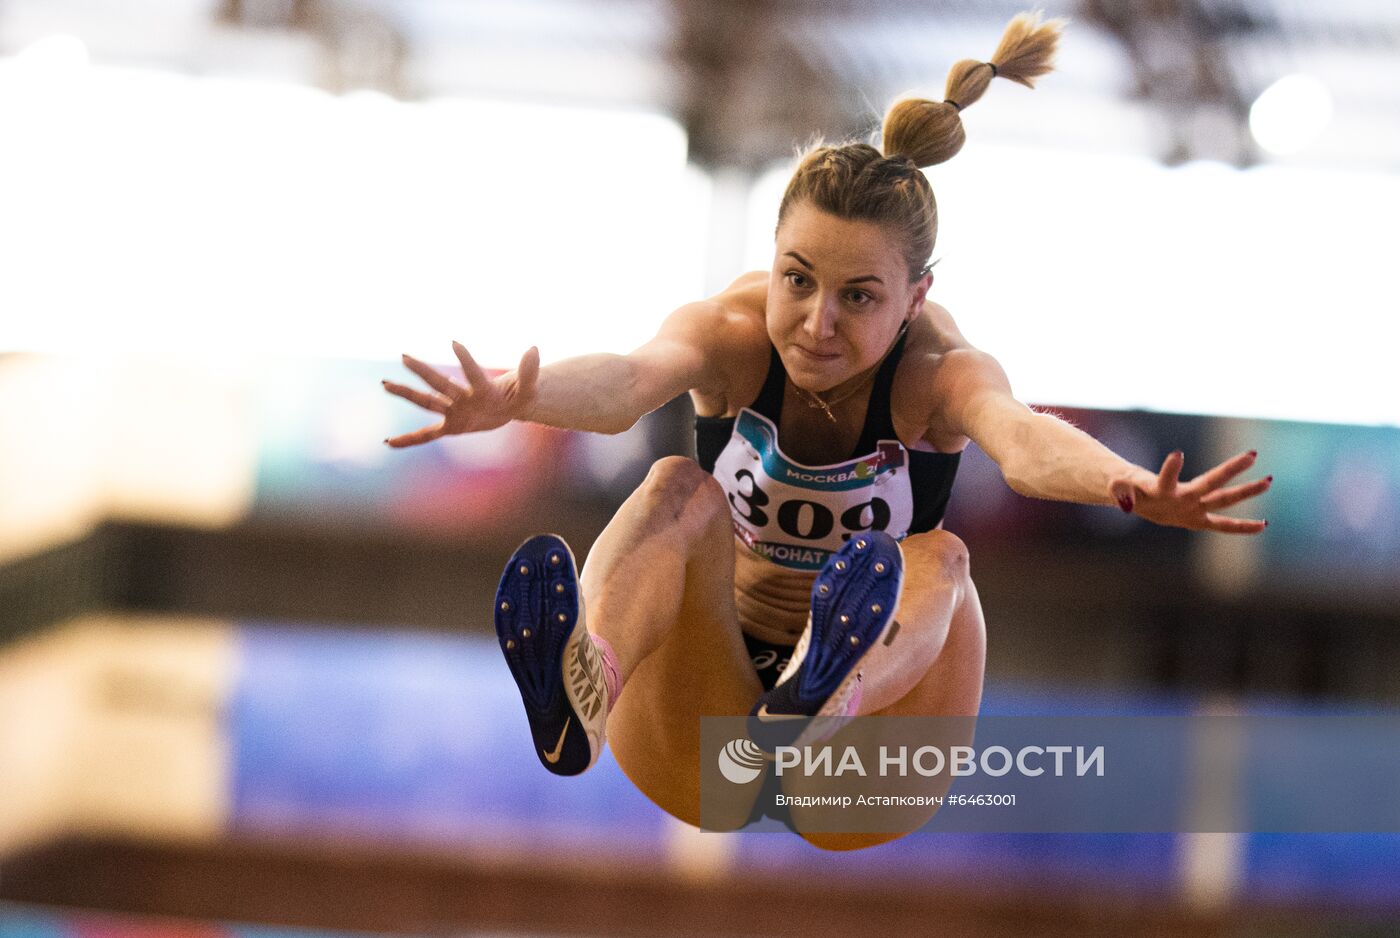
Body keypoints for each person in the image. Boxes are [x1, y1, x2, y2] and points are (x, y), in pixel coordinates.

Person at [381, 11, 1271, 851]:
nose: (816, 324)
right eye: (797, 281)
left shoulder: (936, 370)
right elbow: (625, 383)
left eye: (859, 298)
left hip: (865, 766)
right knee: (672, 490)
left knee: (941, 559)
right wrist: (513, 396)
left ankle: (825, 696)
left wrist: (1127, 485)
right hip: (706, 731)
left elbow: (1023, 442)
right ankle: (589, 683)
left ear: (914, 299)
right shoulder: (729, 333)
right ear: (771, 260)